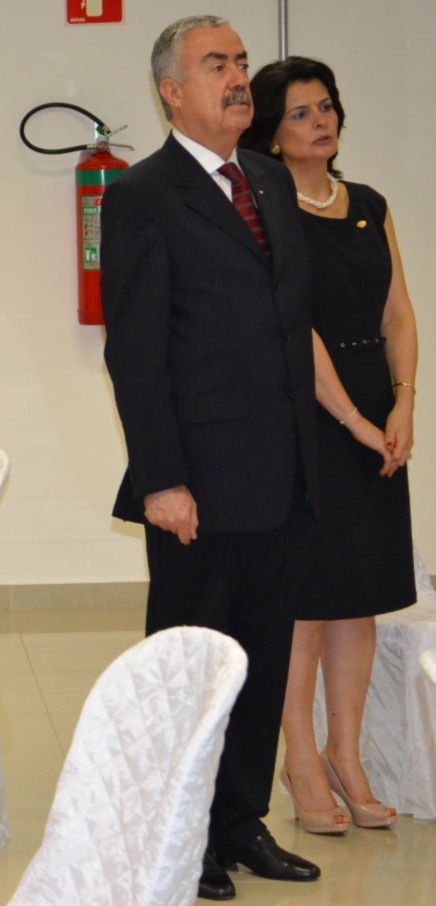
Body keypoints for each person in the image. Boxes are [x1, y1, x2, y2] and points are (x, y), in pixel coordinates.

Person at [101, 17, 321, 900]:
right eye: (216, 65)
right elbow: (136, 350)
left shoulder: (268, 178)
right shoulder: (143, 194)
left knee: (261, 661)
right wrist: (162, 478)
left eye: (240, 62)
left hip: (281, 470)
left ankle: (237, 823)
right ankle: (178, 831)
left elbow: (287, 325)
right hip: (198, 478)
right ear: (171, 90)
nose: (237, 78)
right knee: (190, 666)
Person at [240, 57, 415, 834]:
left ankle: (349, 756)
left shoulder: (369, 204)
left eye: (327, 107)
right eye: (301, 112)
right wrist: (352, 420)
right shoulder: (265, 208)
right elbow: (293, 327)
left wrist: (404, 401)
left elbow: (398, 313)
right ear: (271, 133)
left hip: (376, 409)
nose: (321, 121)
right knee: (305, 602)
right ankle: (302, 760)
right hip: (310, 416)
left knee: (359, 595)